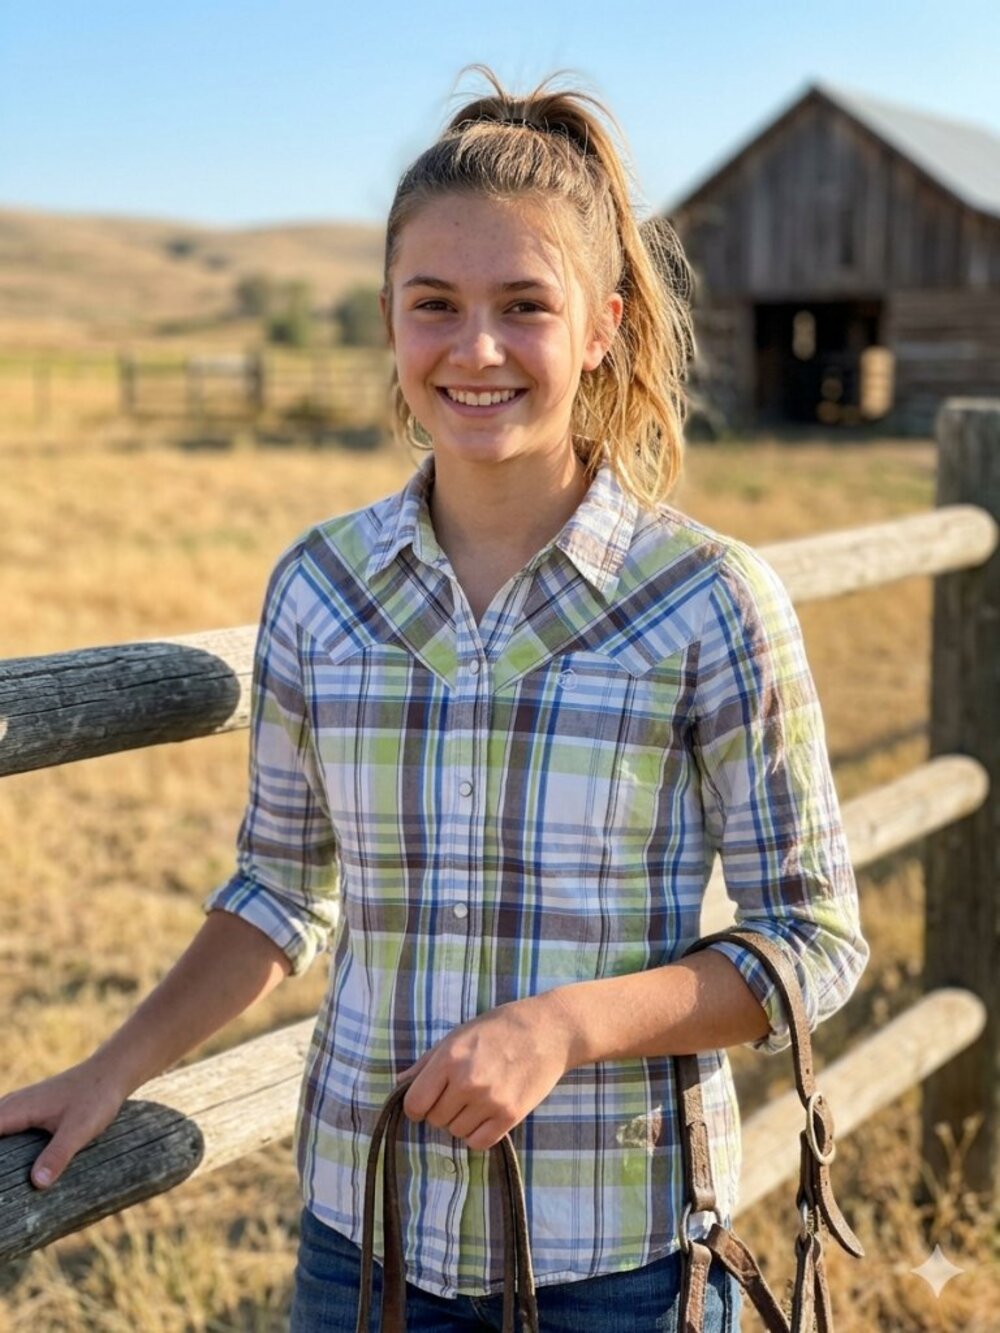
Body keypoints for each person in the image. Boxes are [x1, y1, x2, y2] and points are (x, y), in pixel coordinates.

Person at [0, 68, 868, 1332]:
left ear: (604, 325)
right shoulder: (319, 588)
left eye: (525, 306)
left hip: (620, 1253)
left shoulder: (711, 602)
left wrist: (566, 1025)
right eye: (435, 305)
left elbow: (814, 938)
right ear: (390, 322)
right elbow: (276, 893)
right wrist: (109, 1072)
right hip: (368, 1240)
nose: (475, 349)